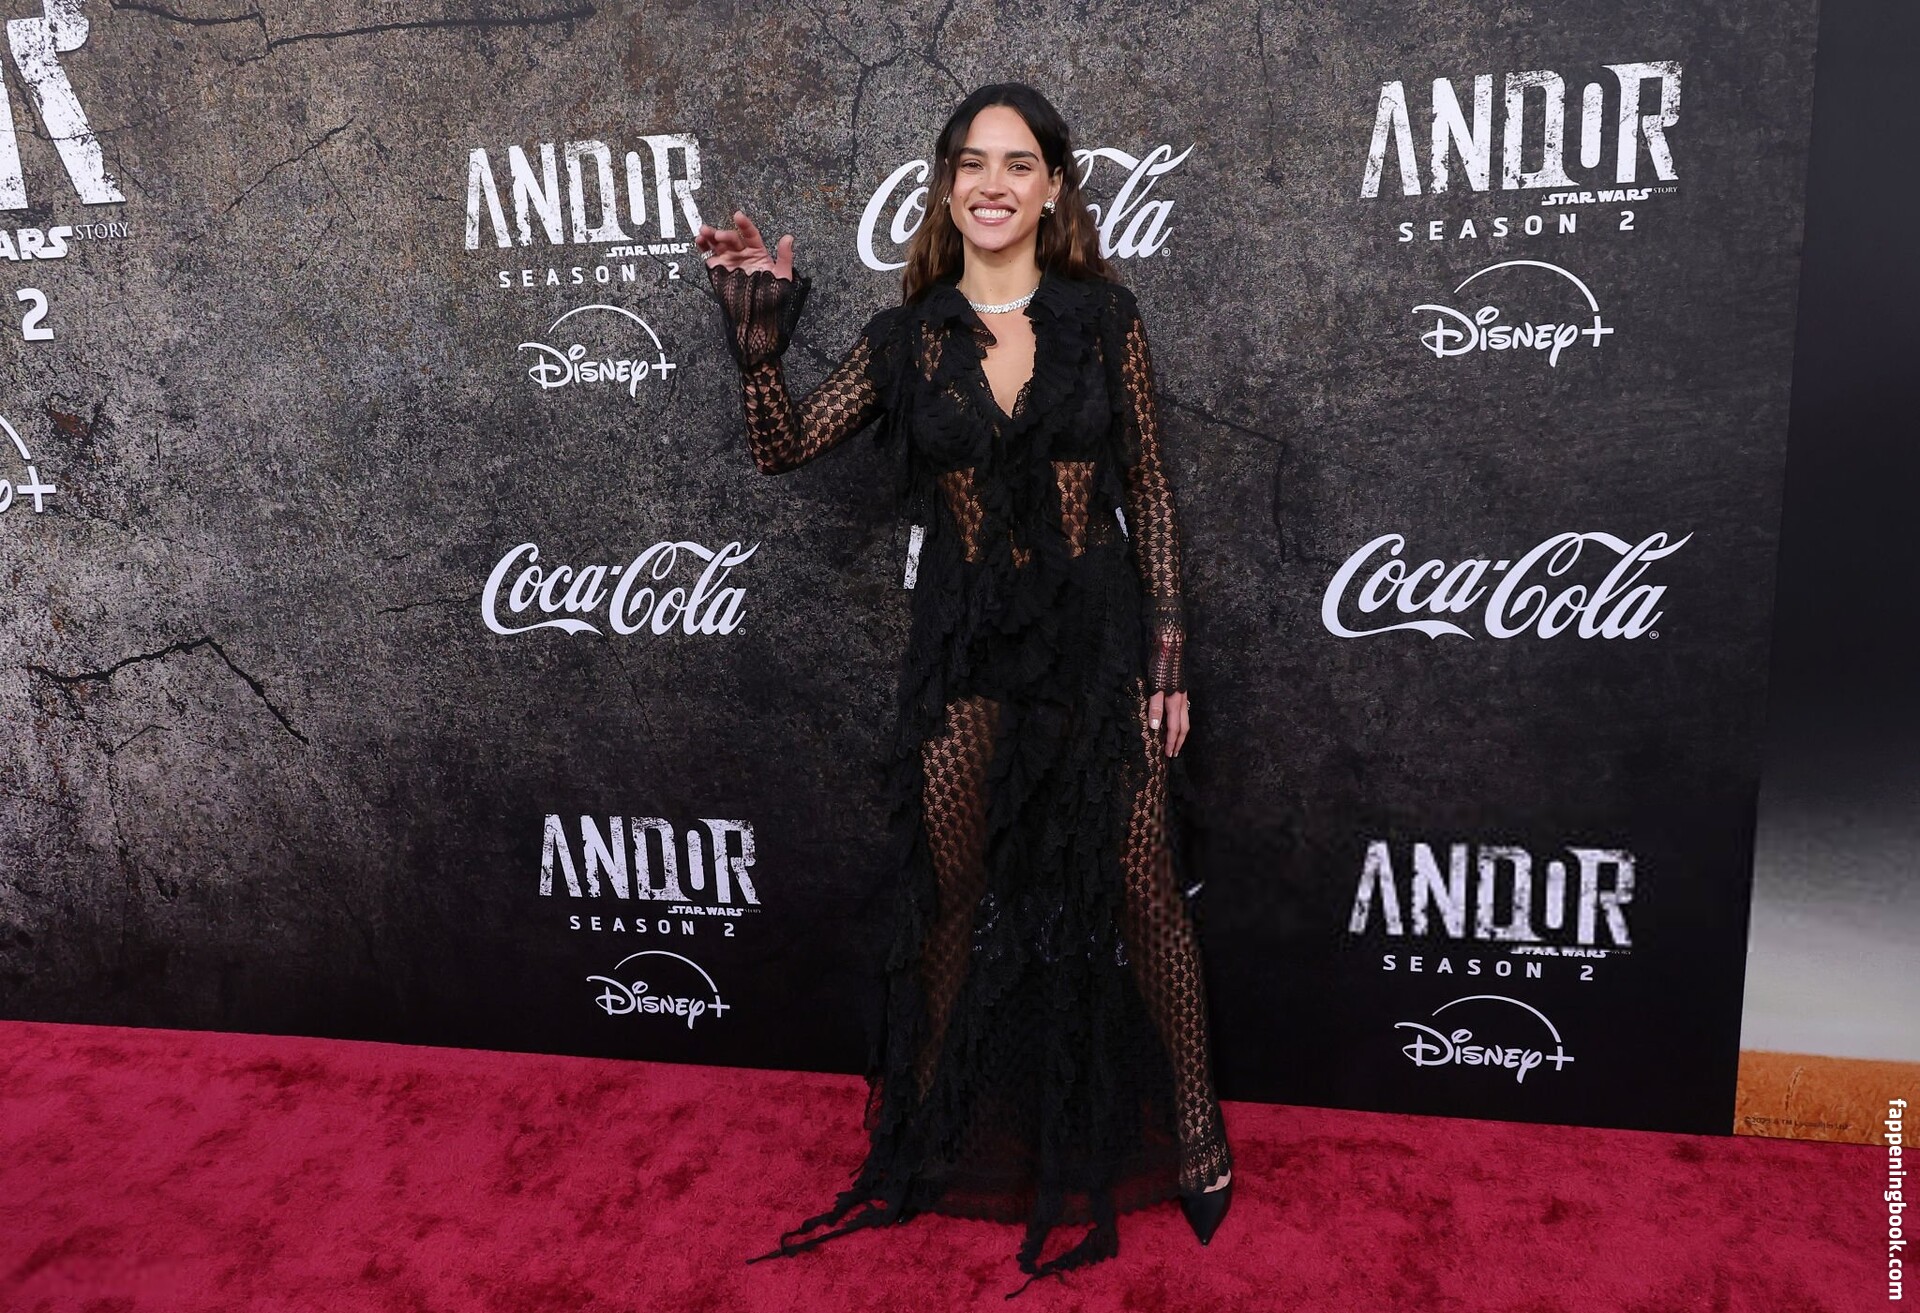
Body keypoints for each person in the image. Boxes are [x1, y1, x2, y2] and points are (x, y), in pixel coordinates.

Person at [696, 82, 1232, 1290]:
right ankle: (928, 1129)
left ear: (1053, 186)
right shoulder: (907, 338)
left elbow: (1149, 486)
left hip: (1095, 641)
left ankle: (1198, 1135)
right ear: (947, 186)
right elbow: (782, 447)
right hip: (965, 648)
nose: (993, 183)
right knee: (946, 896)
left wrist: (1167, 657)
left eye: (1018, 162)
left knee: (1146, 888)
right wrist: (758, 346)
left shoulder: (1105, 318)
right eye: (972, 163)